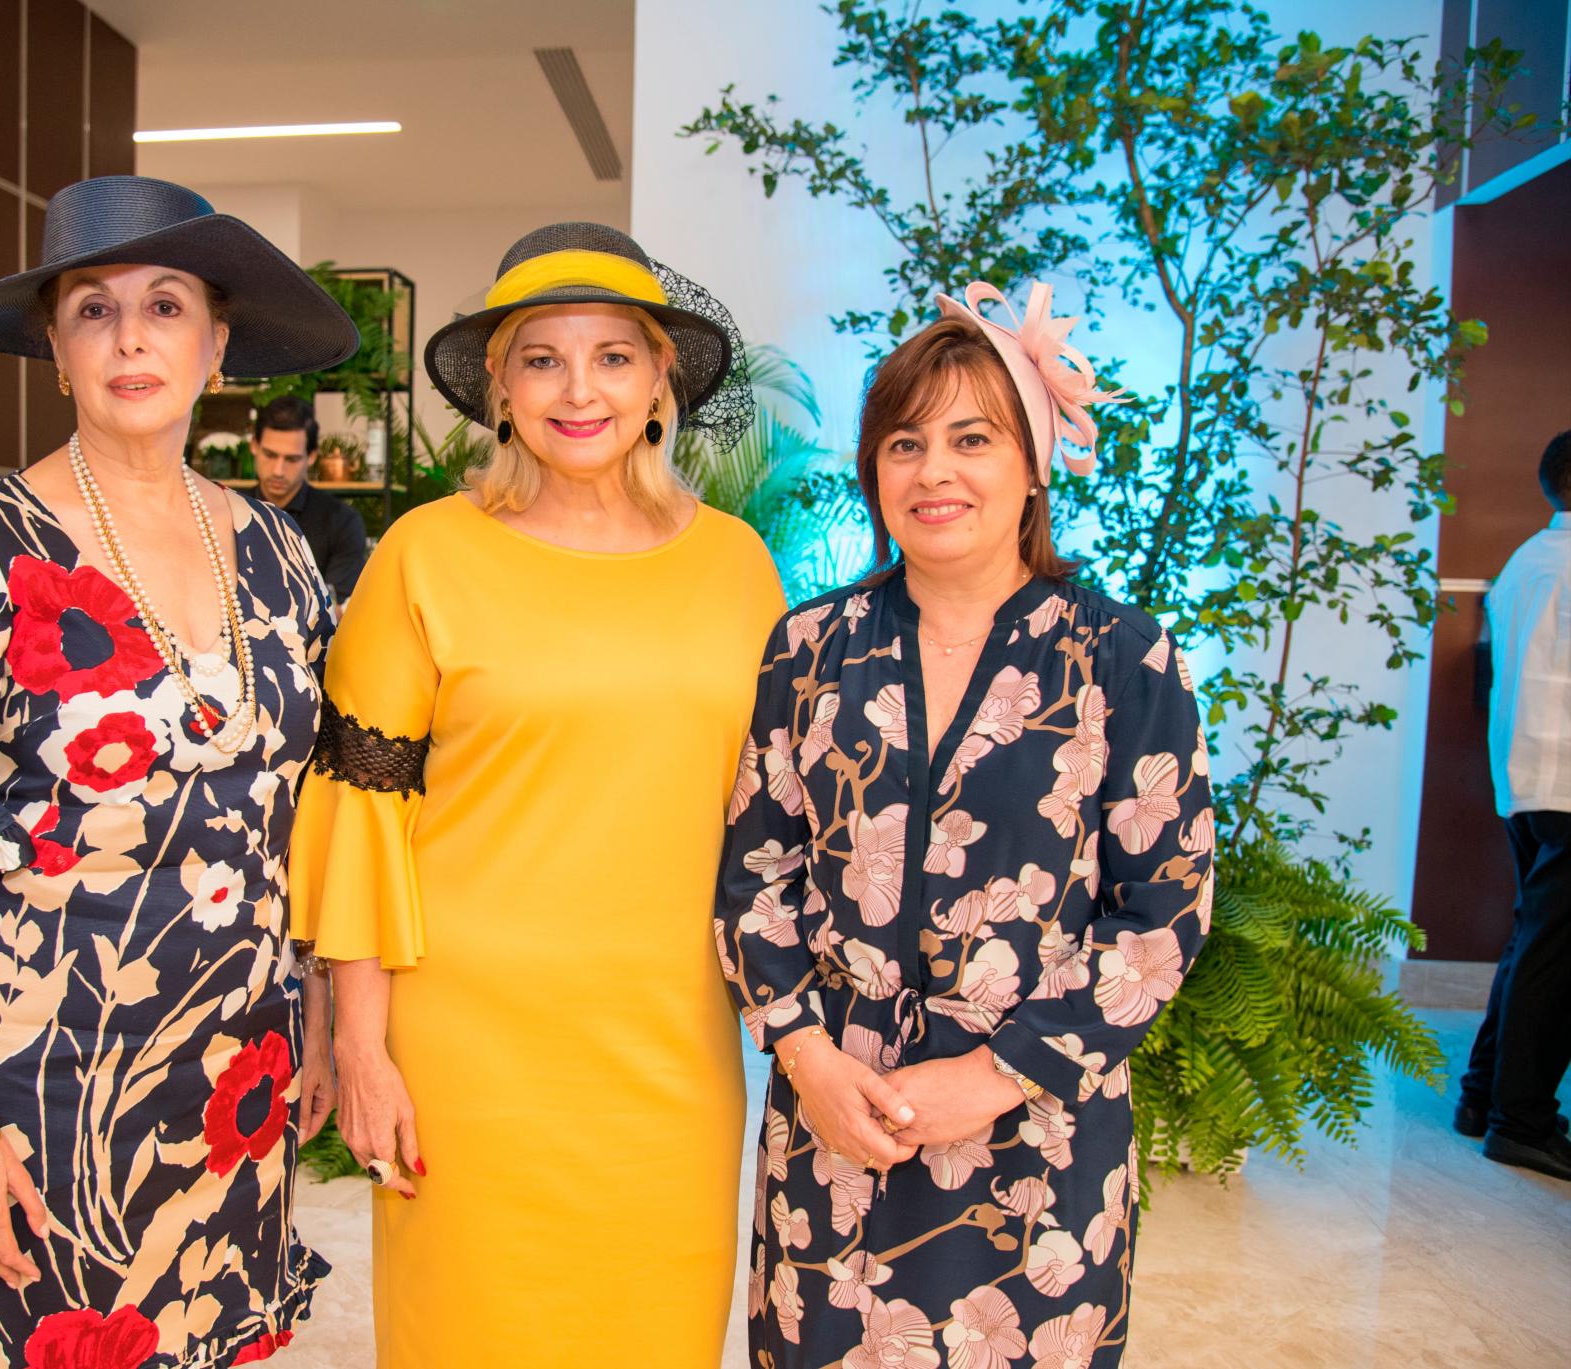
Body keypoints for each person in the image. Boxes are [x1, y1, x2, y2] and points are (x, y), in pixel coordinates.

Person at [0, 174, 360, 1368]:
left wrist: (319, 1010)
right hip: (47, 1082)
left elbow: (306, 812)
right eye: (91, 307)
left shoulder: (276, 552)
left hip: (238, 1067)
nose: (129, 336)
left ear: (216, 345)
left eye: (166, 306)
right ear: (51, 350)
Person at [287, 222, 785, 1366]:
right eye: (542, 357)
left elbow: (775, 813)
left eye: (613, 355)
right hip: (468, 1051)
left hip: (670, 1051)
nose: (579, 388)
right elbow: (362, 812)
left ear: (662, 379)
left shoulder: (738, 568)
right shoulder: (426, 554)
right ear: (500, 387)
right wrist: (361, 1045)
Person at [718, 283, 1213, 1368]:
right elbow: (753, 877)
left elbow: (1162, 916)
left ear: (1031, 463)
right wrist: (803, 1054)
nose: (932, 470)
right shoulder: (805, 650)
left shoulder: (1122, 659)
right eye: (902, 443)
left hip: (1036, 1133)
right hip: (835, 1127)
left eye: (970, 438)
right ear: (872, 472)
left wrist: (995, 1074)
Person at [1458, 429, 1571, 1181]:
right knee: (1554, 953)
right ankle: (1520, 1119)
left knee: (1534, 938)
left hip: (1527, 780)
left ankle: (1482, 1095)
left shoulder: (1527, 560)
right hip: (1565, 780)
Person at [251, 394, 368, 602]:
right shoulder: (225, 511)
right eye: (269, 455)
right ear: (254, 446)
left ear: (311, 456)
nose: (278, 470)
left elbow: (336, 608)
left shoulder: (341, 521)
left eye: (292, 459)